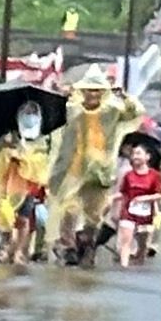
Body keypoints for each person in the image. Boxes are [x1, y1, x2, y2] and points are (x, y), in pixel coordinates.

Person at [48, 67, 130, 263]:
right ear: (83, 91)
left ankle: (87, 243)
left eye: (97, 90)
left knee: (94, 215)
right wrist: (61, 95)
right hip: (74, 168)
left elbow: (132, 113)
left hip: (99, 171)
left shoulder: (112, 110)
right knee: (70, 208)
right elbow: (54, 113)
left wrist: (124, 96)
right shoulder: (72, 109)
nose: (93, 94)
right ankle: (67, 246)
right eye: (89, 89)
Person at [0, 105, 54, 265]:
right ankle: (6, 246)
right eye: (26, 113)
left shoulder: (41, 139)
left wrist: (24, 159)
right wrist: (8, 152)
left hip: (26, 186)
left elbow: (40, 161)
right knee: (5, 217)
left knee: (23, 220)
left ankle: (18, 251)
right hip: (6, 184)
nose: (29, 116)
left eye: (32, 113)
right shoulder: (8, 136)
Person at [113, 135, 161, 266]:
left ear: (147, 157)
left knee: (142, 242)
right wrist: (111, 201)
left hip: (146, 214)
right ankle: (124, 264)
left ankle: (140, 256)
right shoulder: (128, 174)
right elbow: (123, 193)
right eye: (133, 153)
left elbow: (159, 194)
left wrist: (145, 198)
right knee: (125, 241)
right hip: (128, 212)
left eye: (138, 153)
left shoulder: (155, 175)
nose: (135, 156)